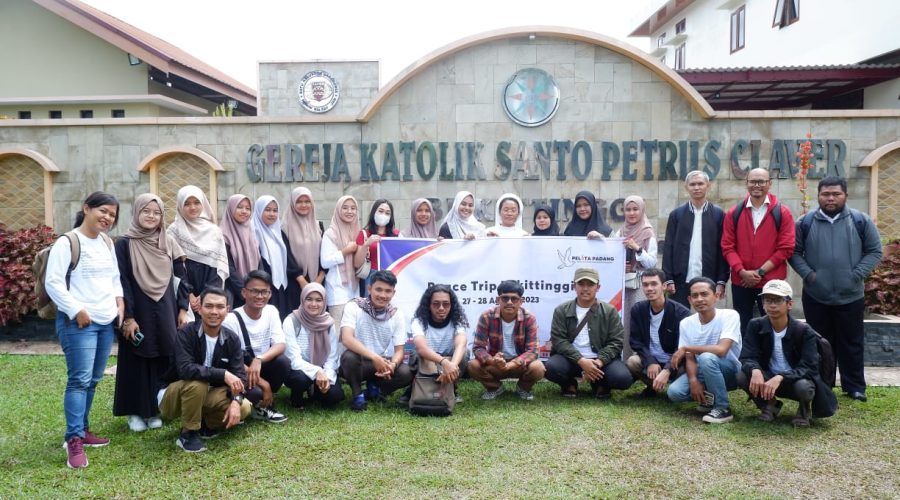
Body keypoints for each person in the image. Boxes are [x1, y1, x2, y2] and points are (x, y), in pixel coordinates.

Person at [46, 191, 123, 468]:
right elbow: (53, 282)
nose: (107, 218)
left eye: (112, 215)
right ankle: (74, 439)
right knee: (79, 380)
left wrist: (119, 302)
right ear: (87, 209)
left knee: (93, 379)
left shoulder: (106, 242)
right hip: (79, 322)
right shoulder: (68, 242)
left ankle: (83, 428)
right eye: (103, 211)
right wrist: (76, 309)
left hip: (105, 321)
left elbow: (114, 277)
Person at [789, 176, 882, 402]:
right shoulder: (805, 222)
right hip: (816, 294)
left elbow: (874, 251)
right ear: (818, 196)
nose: (830, 198)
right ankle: (824, 384)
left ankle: (854, 386)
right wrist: (810, 275)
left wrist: (856, 275)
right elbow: (793, 253)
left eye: (836, 194)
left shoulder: (860, 221)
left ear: (845, 196)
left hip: (851, 295)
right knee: (820, 344)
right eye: (826, 194)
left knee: (852, 342)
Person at [114, 194, 189, 433]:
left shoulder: (168, 241)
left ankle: (156, 409)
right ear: (137, 212)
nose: (151, 216)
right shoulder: (124, 244)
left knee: (164, 356)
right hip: (137, 308)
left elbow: (181, 278)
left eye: (157, 213)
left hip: (165, 308)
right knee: (136, 357)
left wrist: (183, 308)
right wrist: (128, 317)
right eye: (146, 211)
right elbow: (122, 281)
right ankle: (135, 412)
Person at [158, 288, 260, 453]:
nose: (214, 311)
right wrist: (223, 374)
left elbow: (240, 377)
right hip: (174, 395)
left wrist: (236, 401)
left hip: (207, 395)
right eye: (209, 306)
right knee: (198, 384)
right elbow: (185, 369)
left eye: (220, 307)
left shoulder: (232, 339)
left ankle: (206, 424)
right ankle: (187, 434)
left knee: (244, 407)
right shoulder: (186, 333)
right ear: (199, 309)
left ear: (227, 310)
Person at [738, 280, 835, 427]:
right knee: (742, 376)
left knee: (803, 387)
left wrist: (781, 377)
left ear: (789, 304)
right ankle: (769, 406)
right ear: (763, 304)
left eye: (778, 300)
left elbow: (809, 367)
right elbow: (747, 356)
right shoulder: (755, 325)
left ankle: (804, 412)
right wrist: (755, 370)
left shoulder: (804, 330)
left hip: (795, 381)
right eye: (768, 300)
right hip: (768, 379)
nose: (772, 305)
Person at [721, 168, 795, 335]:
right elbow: (727, 246)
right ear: (746, 183)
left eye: (761, 181)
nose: (757, 185)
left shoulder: (782, 212)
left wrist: (759, 272)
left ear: (769, 184)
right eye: (753, 181)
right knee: (742, 327)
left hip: (772, 283)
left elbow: (786, 248)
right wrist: (741, 271)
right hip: (742, 281)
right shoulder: (734, 212)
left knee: (774, 327)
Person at [546, 268, 633, 399]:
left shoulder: (609, 311)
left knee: (623, 378)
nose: (585, 289)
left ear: (598, 287)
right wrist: (581, 360)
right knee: (550, 367)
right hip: (571, 360)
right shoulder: (561, 310)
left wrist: (598, 362)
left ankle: (600, 384)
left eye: (590, 284)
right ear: (574, 286)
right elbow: (559, 340)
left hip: (600, 361)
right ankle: (569, 384)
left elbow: (616, 341)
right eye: (581, 284)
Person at [221, 270, 294, 423]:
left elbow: (280, 344)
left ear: (270, 293)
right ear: (244, 292)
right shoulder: (231, 320)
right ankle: (260, 400)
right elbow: (231, 360)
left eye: (264, 292)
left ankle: (265, 399)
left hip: (259, 365)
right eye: (254, 291)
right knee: (256, 394)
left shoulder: (271, 311)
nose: (260, 296)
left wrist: (259, 359)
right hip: (240, 370)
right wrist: (264, 385)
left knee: (283, 362)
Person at [667, 277, 742, 424]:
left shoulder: (730, 315)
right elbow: (690, 357)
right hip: (703, 370)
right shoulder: (686, 323)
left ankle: (723, 409)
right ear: (690, 300)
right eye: (695, 296)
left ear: (716, 296)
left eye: (704, 294)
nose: (700, 299)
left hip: (730, 371)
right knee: (675, 392)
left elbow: (722, 350)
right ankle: (709, 400)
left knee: (706, 357)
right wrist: (693, 380)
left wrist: (686, 348)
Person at [340, 270, 413, 411]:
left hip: (380, 364)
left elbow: (399, 351)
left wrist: (392, 365)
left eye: (388, 291)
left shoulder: (396, 314)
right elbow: (347, 339)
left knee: (406, 372)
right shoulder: (354, 306)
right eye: (378, 289)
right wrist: (374, 357)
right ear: (369, 289)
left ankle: (375, 390)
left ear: (393, 293)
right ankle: (358, 395)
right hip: (358, 363)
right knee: (349, 357)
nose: (383, 295)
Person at [468, 280, 545, 400]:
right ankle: (495, 388)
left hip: (519, 364)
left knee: (538, 367)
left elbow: (533, 350)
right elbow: (478, 348)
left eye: (514, 299)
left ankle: (523, 388)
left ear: (521, 301)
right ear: (498, 300)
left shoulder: (529, 318)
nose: (509, 302)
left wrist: (510, 365)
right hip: (496, 363)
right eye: (505, 298)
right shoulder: (486, 316)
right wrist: (493, 361)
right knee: (473, 365)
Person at [662, 171, 729, 307]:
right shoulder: (677, 214)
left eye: (700, 184)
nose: (696, 187)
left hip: (709, 280)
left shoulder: (718, 214)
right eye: (692, 184)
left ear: (708, 186)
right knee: (680, 316)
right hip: (680, 280)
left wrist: (721, 280)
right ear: (686, 187)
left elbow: (723, 249)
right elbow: (668, 247)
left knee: (707, 315)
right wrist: (668, 278)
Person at [167, 185, 229, 326]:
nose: (192, 207)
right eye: (187, 204)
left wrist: (204, 295)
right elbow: (174, 268)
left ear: (203, 204)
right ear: (180, 206)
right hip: (182, 296)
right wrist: (188, 295)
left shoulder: (214, 231)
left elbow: (218, 267)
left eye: (196, 202)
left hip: (209, 293)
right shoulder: (173, 231)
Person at [625, 268, 692, 396]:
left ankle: (679, 388)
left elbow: (682, 348)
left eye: (654, 284)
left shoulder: (681, 313)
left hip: (675, 362)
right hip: (652, 360)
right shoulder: (638, 309)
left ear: (664, 286)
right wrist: (650, 360)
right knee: (632, 362)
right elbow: (635, 341)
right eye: (645, 285)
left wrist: (667, 369)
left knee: (688, 368)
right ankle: (653, 386)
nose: (649, 288)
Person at [282, 283, 345, 409]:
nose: (313, 304)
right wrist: (317, 371)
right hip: (298, 370)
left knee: (335, 396)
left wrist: (326, 376)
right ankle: (296, 396)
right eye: (309, 299)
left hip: (322, 369)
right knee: (301, 379)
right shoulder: (291, 321)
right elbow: (293, 359)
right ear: (302, 299)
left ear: (324, 301)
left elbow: (332, 356)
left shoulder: (328, 323)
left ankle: (315, 391)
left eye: (318, 300)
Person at [410, 284, 469, 403]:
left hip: (449, 360)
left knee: (464, 353)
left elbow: (461, 344)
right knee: (416, 354)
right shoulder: (419, 321)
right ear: (429, 305)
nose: (441, 308)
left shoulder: (457, 320)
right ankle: (416, 388)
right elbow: (421, 348)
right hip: (429, 359)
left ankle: (452, 388)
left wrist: (452, 366)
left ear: (451, 305)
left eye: (446, 304)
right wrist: (444, 362)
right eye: (436, 304)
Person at [615, 195, 658, 358]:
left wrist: (637, 249)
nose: (631, 213)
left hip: (640, 285)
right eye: (628, 209)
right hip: (623, 285)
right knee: (623, 322)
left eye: (635, 209)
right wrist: (621, 264)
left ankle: (639, 359)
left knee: (638, 321)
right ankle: (623, 359)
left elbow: (652, 263)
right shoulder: (621, 231)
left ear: (642, 210)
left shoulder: (647, 232)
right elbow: (612, 254)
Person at [253, 195, 302, 320]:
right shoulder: (253, 233)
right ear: (259, 210)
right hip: (263, 287)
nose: (272, 214)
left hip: (281, 287)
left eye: (275, 210)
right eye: (267, 210)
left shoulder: (279, 233)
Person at [321, 195, 361, 324]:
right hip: (337, 291)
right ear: (338, 210)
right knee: (339, 331)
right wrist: (345, 251)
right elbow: (325, 262)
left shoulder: (358, 232)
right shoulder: (331, 233)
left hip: (354, 290)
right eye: (345, 208)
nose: (349, 211)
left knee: (354, 329)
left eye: (353, 208)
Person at [219, 194, 260, 308]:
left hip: (253, 291)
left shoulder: (251, 231)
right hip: (234, 291)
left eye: (248, 208)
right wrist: (243, 290)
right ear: (231, 208)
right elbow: (228, 267)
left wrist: (257, 285)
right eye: (240, 207)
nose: (244, 211)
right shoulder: (222, 234)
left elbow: (258, 260)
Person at [282, 187, 326, 291]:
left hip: (318, 280)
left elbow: (324, 253)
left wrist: (320, 278)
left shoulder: (318, 226)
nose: (303, 205)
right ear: (292, 204)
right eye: (299, 202)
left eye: (307, 201)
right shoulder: (284, 228)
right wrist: (301, 280)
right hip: (294, 282)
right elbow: (287, 257)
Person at [355, 198, 400, 291]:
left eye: (387, 213)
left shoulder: (397, 235)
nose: (384, 215)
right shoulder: (364, 234)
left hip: (392, 275)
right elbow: (356, 263)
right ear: (374, 212)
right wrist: (366, 244)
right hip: (371, 277)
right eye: (381, 211)